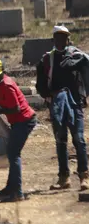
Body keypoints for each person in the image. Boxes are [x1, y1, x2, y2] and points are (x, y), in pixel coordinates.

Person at [36, 25, 89, 191]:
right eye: (58, 38)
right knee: (61, 141)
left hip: (75, 105)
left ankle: (84, 176)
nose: (61, 41)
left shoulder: (76, 56)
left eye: (64, 38)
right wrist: (53, 97)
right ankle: (63, 177)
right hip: (57, 107)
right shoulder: (47, 60)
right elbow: (41, 86)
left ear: (68, 39)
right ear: (53, 40)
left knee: (79, 140)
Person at [0, 59, 37, 203]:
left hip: (25, 120)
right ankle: (10, 188)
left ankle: (17, 193)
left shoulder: (8, 85)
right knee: (12, 152)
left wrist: (0, 110)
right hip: (16, 121)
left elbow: (16, 109)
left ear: (3, 73)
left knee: (14, 154)